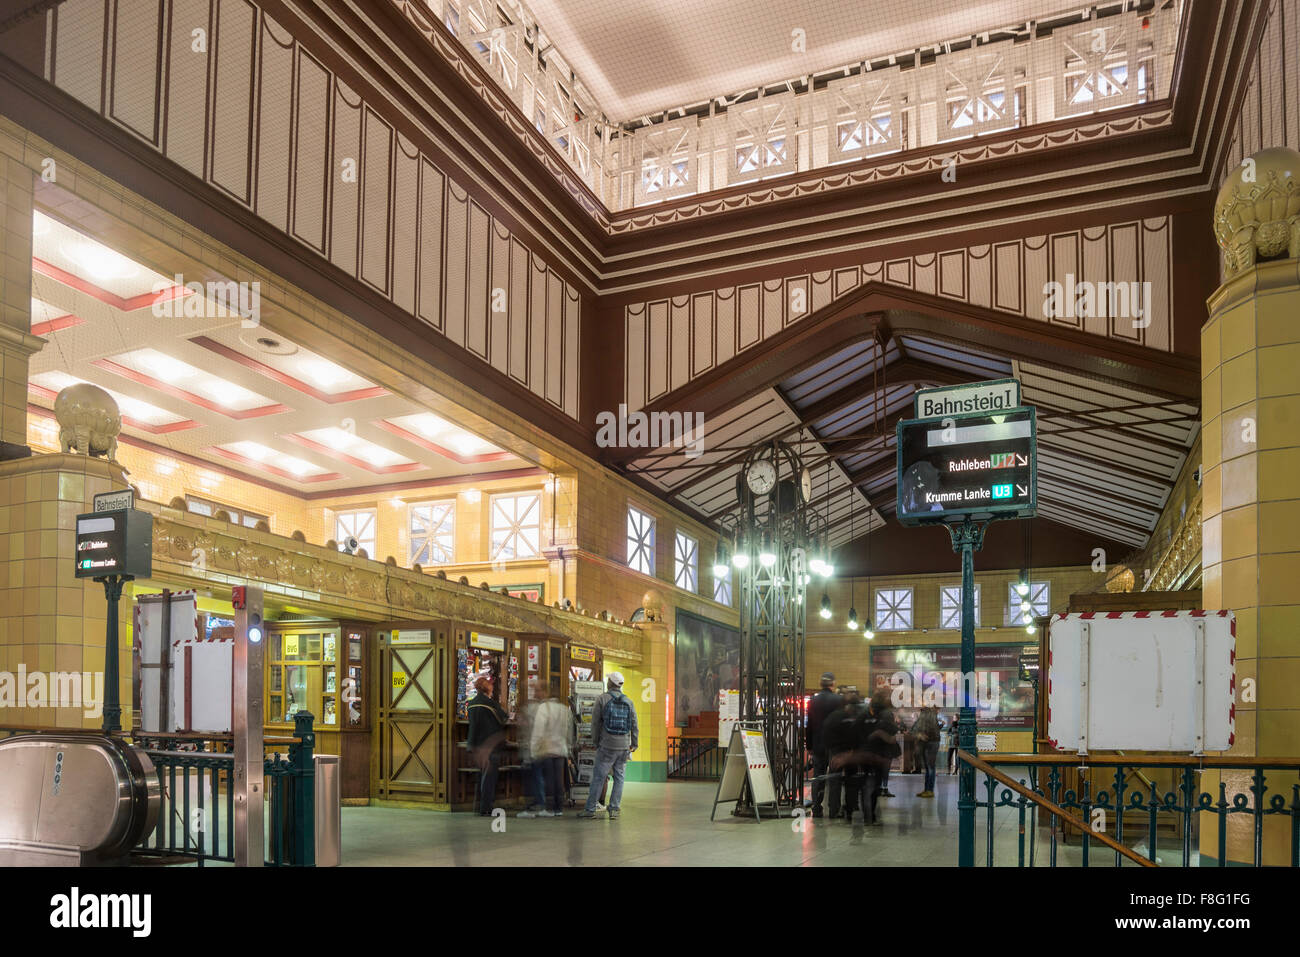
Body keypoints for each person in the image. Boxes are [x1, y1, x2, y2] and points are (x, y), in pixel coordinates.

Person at [578, 672, 638, 820]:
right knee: (619, 777)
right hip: (624, 746)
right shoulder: (629, 702)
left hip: (607, 745)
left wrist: (596, 741)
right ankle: (614, 809)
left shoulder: (602, 699)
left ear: (610, 683)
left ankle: (590, 809)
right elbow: (634, 724)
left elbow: (595, 724)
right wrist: (634, 743)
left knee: (599, 777)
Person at [856, 689, 900, 826]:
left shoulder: (864, 713)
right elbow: (892, 731)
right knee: (875, 785)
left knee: (864, 785)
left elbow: (856, 730)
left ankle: (865, 815)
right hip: (879, 755)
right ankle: (871, 816)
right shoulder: (886, 714)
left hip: (864, 753)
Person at [466, 676, 507, 816]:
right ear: (488, 688)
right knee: (489, 777)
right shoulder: (491, 704)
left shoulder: (470, 704)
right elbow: (504, 718)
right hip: (490, 744)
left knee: (480, 775)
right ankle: (486, 807)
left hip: (475, 744)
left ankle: (478, 806)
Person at [805, 672, 843, 819]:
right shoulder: (838, 700)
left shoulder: (813, 701)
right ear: (833, 684)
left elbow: (809, 726)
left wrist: (809, 745)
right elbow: (841, 724)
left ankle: (816, 808)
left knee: (818, 777)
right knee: (834, 777)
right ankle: (834, 809)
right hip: (835, 745)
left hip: (818, 744)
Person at [530, 693, 573, 816]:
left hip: (547, 749)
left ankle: (549, 806)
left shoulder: (543, 708)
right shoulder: (565, 710)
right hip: (561, 750)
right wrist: (569, 747)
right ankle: (559, 807)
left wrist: (534, 749)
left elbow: (538, 730)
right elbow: (569, 731)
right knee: (559, 779)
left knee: (549, 778)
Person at [823, 690, 861, 821]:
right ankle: (850, 809)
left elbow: (826, 734)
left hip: (837, 752)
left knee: (835, 781)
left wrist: (831, 749)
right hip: (850, 753)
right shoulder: (857, 717)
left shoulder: (834, 716)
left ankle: (834, 810)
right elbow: (860, 736)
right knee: (851, 781)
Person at [912, 704, 941, 797]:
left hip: (932, 742)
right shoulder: (926, 714)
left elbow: (919, 728)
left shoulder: (927, 714)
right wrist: (919, 734)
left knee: (930, 767)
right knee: (928, 767)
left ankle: (930, 790)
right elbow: (915, 728)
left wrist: (920, 734)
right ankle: (927, 789)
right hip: (929, 742)